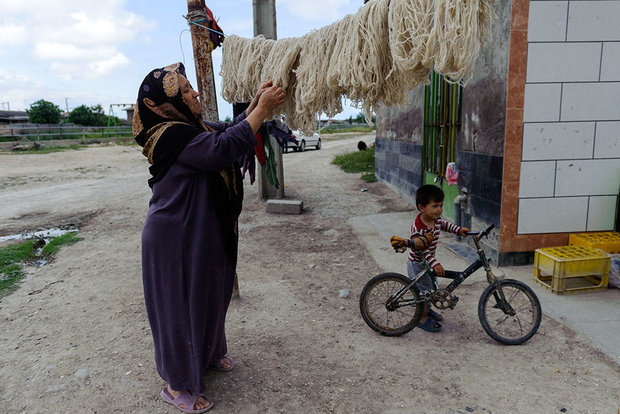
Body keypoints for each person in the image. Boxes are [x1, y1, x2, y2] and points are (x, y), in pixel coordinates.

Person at [133, 62, 285, 413]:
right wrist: (262, 111)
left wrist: (253, 105)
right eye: (185, 90)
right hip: (174, 239)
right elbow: (221, 148)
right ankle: (178, 385)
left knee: (211, 294)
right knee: (180, 309)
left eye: (190, 87)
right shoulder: (171, 135)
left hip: (200, 230)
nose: (195, 93)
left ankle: (209, 355)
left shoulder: (191, 127)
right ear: (166, 103)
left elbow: (227, 131)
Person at [390, 184, 469, 333]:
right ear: (421, 208)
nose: (439, 210)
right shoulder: (419, 228)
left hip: (427, 263)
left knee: (430, 289)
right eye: (434, 206)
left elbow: (445, 225)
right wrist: (435, 263)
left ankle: (427, 309)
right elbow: (423, 251)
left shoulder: (436, 219)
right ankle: (421, 318)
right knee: (424, 292)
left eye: (441, 205)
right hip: (418, 263)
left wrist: (459, 230)